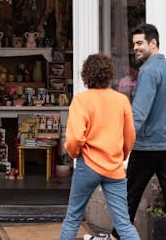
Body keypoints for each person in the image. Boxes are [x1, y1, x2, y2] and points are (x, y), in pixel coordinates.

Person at [119, 23, 166, 240]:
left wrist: (122, 142)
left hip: (148, 145)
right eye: (134, 44)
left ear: (153, 43)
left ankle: (117, 236)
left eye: (140, 43)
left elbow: (139, 113)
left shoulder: (149, 71)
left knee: (129, 197)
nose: (136, 48)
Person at [60, 54, 140, 240]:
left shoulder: (81, 100)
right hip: (114, 167)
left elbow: (74, 139)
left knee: (73, 217)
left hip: (88, 165)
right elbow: (130, 136)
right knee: (123, 223)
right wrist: (120, 156)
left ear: (86, 75)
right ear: (109, 74)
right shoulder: (121, 100)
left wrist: (73, 154)